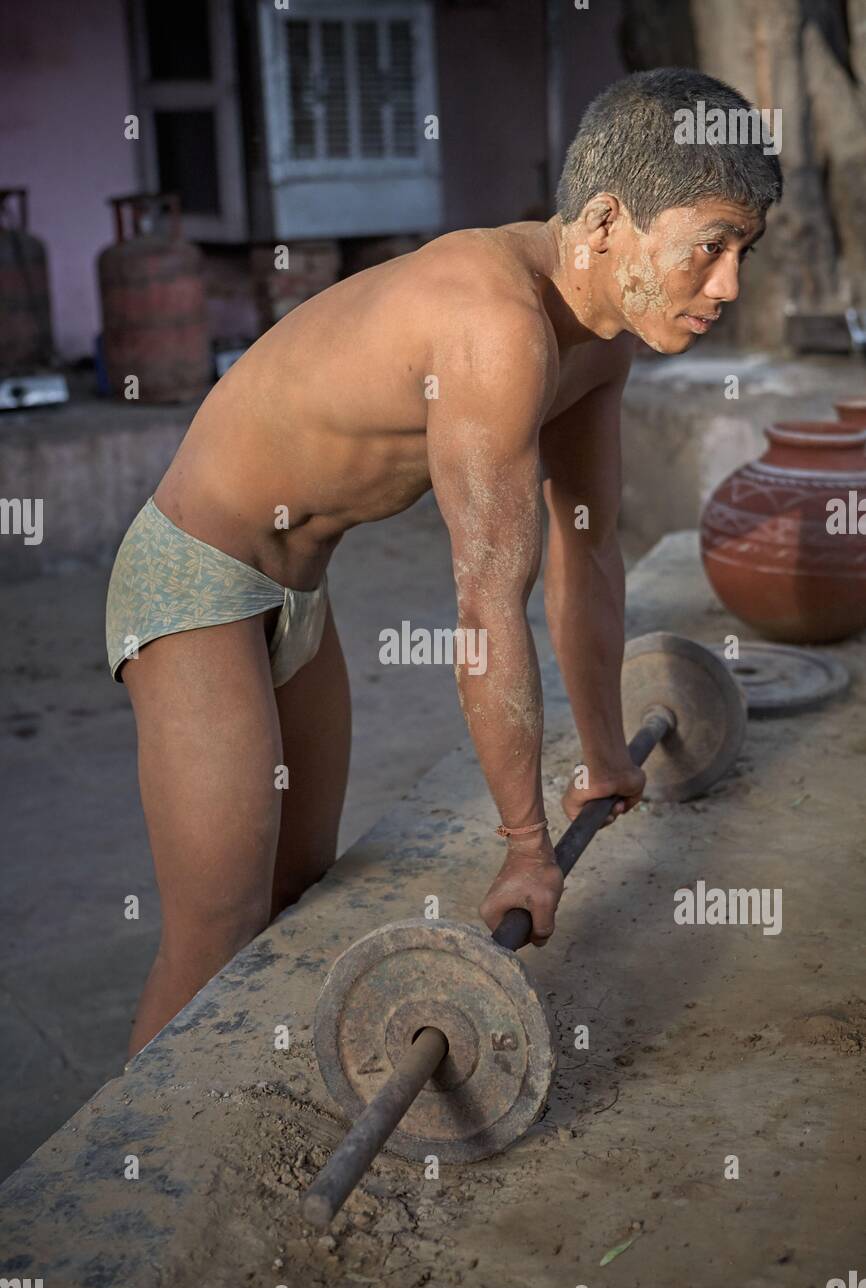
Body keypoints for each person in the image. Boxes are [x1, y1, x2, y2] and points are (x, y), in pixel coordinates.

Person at [107, 67, 782, 1056]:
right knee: (216, 925)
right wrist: (521, 847)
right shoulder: (493, 326)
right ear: (603, 223)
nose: (727, 285)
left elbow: (586, 555)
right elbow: (485, 602)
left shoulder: (597, 342)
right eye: (707, 248)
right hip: (194, 574)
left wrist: (600, 756)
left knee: (300, 891)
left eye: (742, 252)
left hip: (299, 586)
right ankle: (120, 1191)